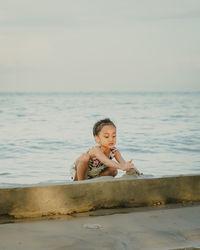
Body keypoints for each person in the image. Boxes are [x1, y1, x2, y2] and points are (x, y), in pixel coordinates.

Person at [70, 118, 140, 181]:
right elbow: (106, 161)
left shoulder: (114, 151)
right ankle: (79, 182)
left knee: (113, 170)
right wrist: (121, 167)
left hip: (95, 175)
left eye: (114, 136)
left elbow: (124, 164)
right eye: (106, 136)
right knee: (84, 157)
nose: (111, 139)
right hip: (80, 172)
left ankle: (94, 181)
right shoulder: (96, 150)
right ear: (97, 139)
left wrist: (132, 168)